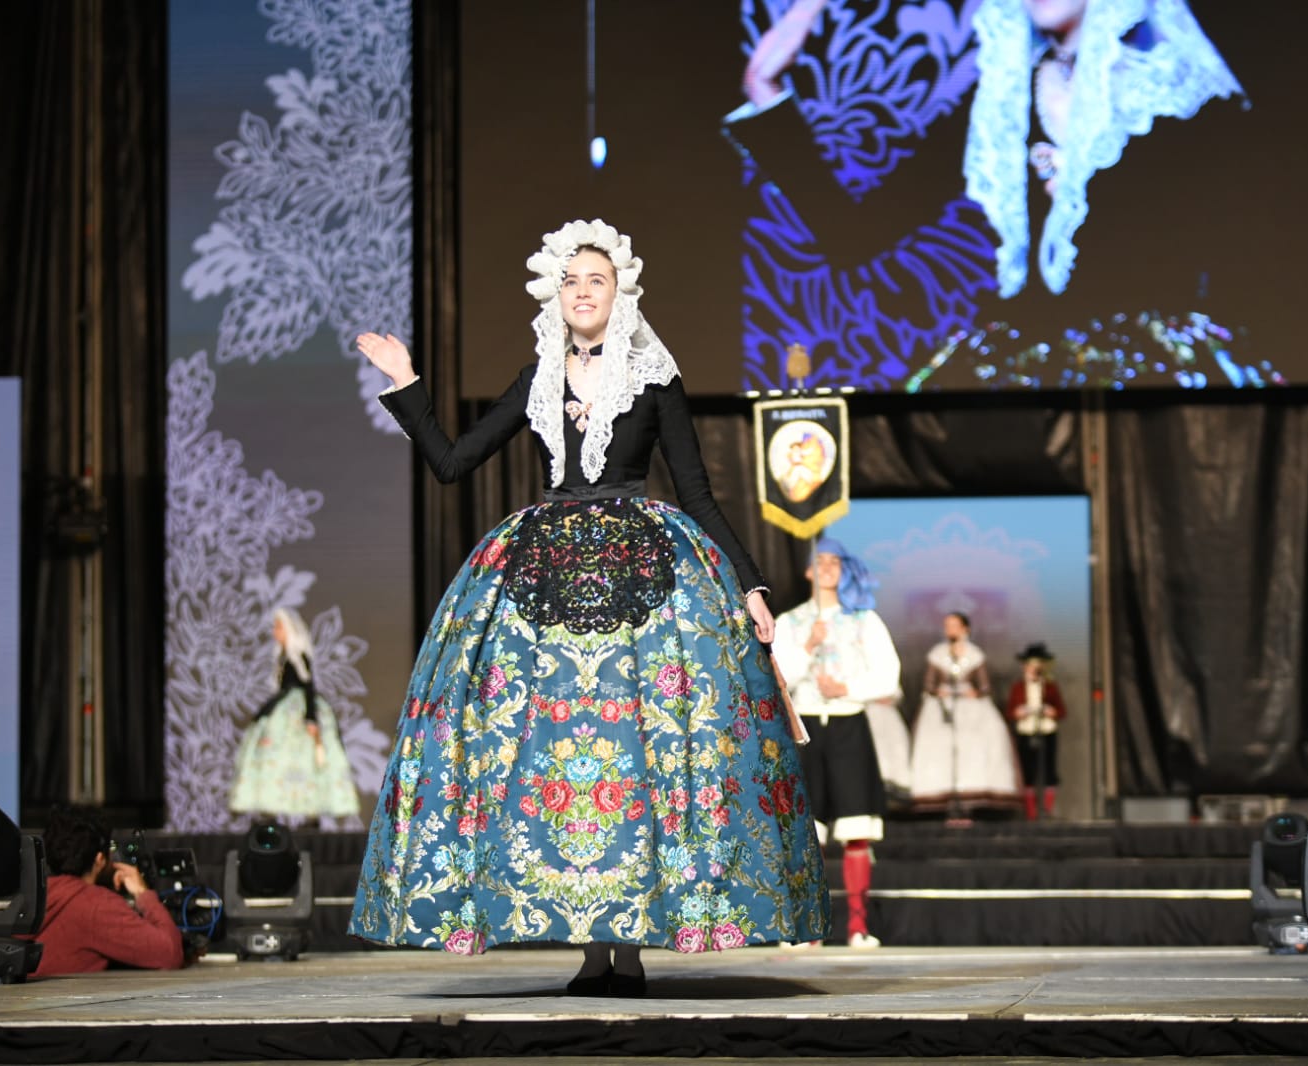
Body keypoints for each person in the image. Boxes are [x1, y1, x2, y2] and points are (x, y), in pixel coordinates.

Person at [349, 219, 827, 995]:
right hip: (541, 578)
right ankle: (588, 942)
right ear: (555, 295)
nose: (581, 290)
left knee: (637, 752)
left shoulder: (653, 380)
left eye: (596, 280)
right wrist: (405, 382)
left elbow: (699, 494)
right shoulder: (536, 378)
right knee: (555, 756)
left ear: (619, 295)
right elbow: (450, 462)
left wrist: (749, 586)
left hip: (645, 574)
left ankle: (629, 946)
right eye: (570, 280)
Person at [725, 0, 1290, 390]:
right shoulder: (999, 104)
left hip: (1162, 379)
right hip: (1021, 379)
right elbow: (854, 236)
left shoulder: (1176, 92)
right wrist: (764, 87)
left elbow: (1246, 250)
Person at [772, 538, 903, 948]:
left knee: (856, 829)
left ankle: (858, 926)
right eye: (820, 561)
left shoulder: (864, 620)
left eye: (835, 562)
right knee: (807, 832)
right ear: (809, 571)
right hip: (806, 728)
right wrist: (808, 645)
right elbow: (775, 679)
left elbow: (889, 678)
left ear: (844, 571)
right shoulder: (790, 622)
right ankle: (807, 929)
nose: (827, 567)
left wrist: (846, 686)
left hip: (848, 725)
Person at [228, 608, 360, 824]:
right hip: (282, 710)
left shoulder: (298, 656)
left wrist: (310, 718)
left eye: (278, 627)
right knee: (275, 757)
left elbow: (308, 685)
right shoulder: (281, 657)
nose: (275, 632)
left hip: (297, 712)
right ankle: (271, 811)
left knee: (304, 759)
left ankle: (310, 814)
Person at [30, 804, 187, 977]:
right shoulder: (95, 905)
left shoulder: (32, 896)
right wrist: (143, 894)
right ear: (100, 859)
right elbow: (170, 953)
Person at [909, 613, 1021, 814]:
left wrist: (976, 692)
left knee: (975, 745)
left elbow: (985, 686)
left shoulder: (975, 655)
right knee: (939, 745)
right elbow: (929, 684)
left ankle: (972, 795)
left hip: (970, 708)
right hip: (943, 707)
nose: (950, 629)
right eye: (947, 625)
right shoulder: (938, 654)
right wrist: (937, 691)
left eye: (954, 625)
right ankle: (942, 796)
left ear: (965, 629)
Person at [1007, 642, 1068, 819]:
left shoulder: (1049, 687)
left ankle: (1047, 810)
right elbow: (1010, 712)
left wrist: (1052, 711)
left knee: (1049, 770)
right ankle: (1031, 812)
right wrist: (1018, 712)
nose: (1034, 668)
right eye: (1030, 664)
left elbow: (1062, 711)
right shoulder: (1018, 687)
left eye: (1037, 664)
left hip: (1046, 730)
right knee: (1028, 772)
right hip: (1026, 732)